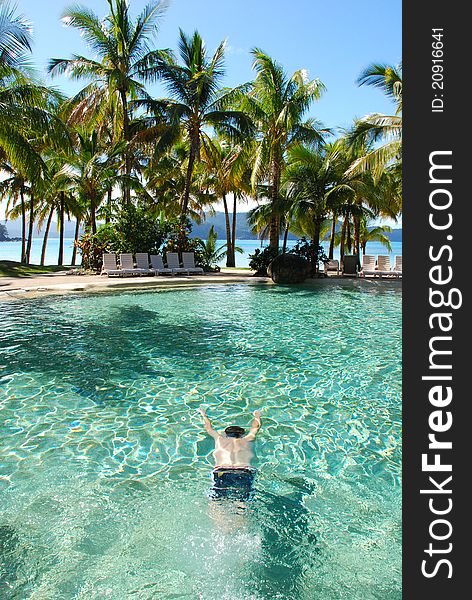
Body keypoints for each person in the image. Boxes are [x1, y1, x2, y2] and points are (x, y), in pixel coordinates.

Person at [198, 406, 262, 500]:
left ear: (225, 434)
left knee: (217, 500)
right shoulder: (248, 438)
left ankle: (216, 514)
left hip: (221, 471)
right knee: (242, 501)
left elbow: (208, 428)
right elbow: (256, 427)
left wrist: (203, 414)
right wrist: (257, 416)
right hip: (244, 471)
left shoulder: (219, 439)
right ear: (242, 434)